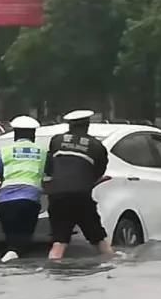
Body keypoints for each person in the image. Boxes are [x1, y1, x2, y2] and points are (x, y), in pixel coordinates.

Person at [45, 109, 113, 262]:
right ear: (88, 125)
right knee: (99, 239)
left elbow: (50, 166)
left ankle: (54, 269)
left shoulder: (56, 140)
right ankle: (110, 268)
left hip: (57, 196)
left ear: (69, 125)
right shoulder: (97, 146)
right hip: (81, 196)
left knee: (59, 242)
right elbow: (97, 173)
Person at [0, 115, 46, 263]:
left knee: (11, 238)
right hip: (30, 200)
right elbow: (50, 177)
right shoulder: (43, 152)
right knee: (24, 238)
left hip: (5, 201)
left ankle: (11, 261)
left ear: (15, 134)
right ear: (33, 135)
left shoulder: (4, 151)